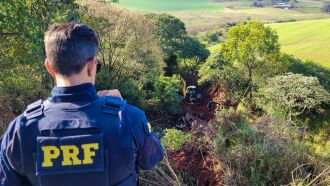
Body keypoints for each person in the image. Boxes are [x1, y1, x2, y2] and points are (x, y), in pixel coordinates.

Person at [0, 23, 163, 186]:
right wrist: (126, 111)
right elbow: (152, 158)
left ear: (49, 67)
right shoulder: (128, 118)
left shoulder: (20, 129)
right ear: (92, 66)